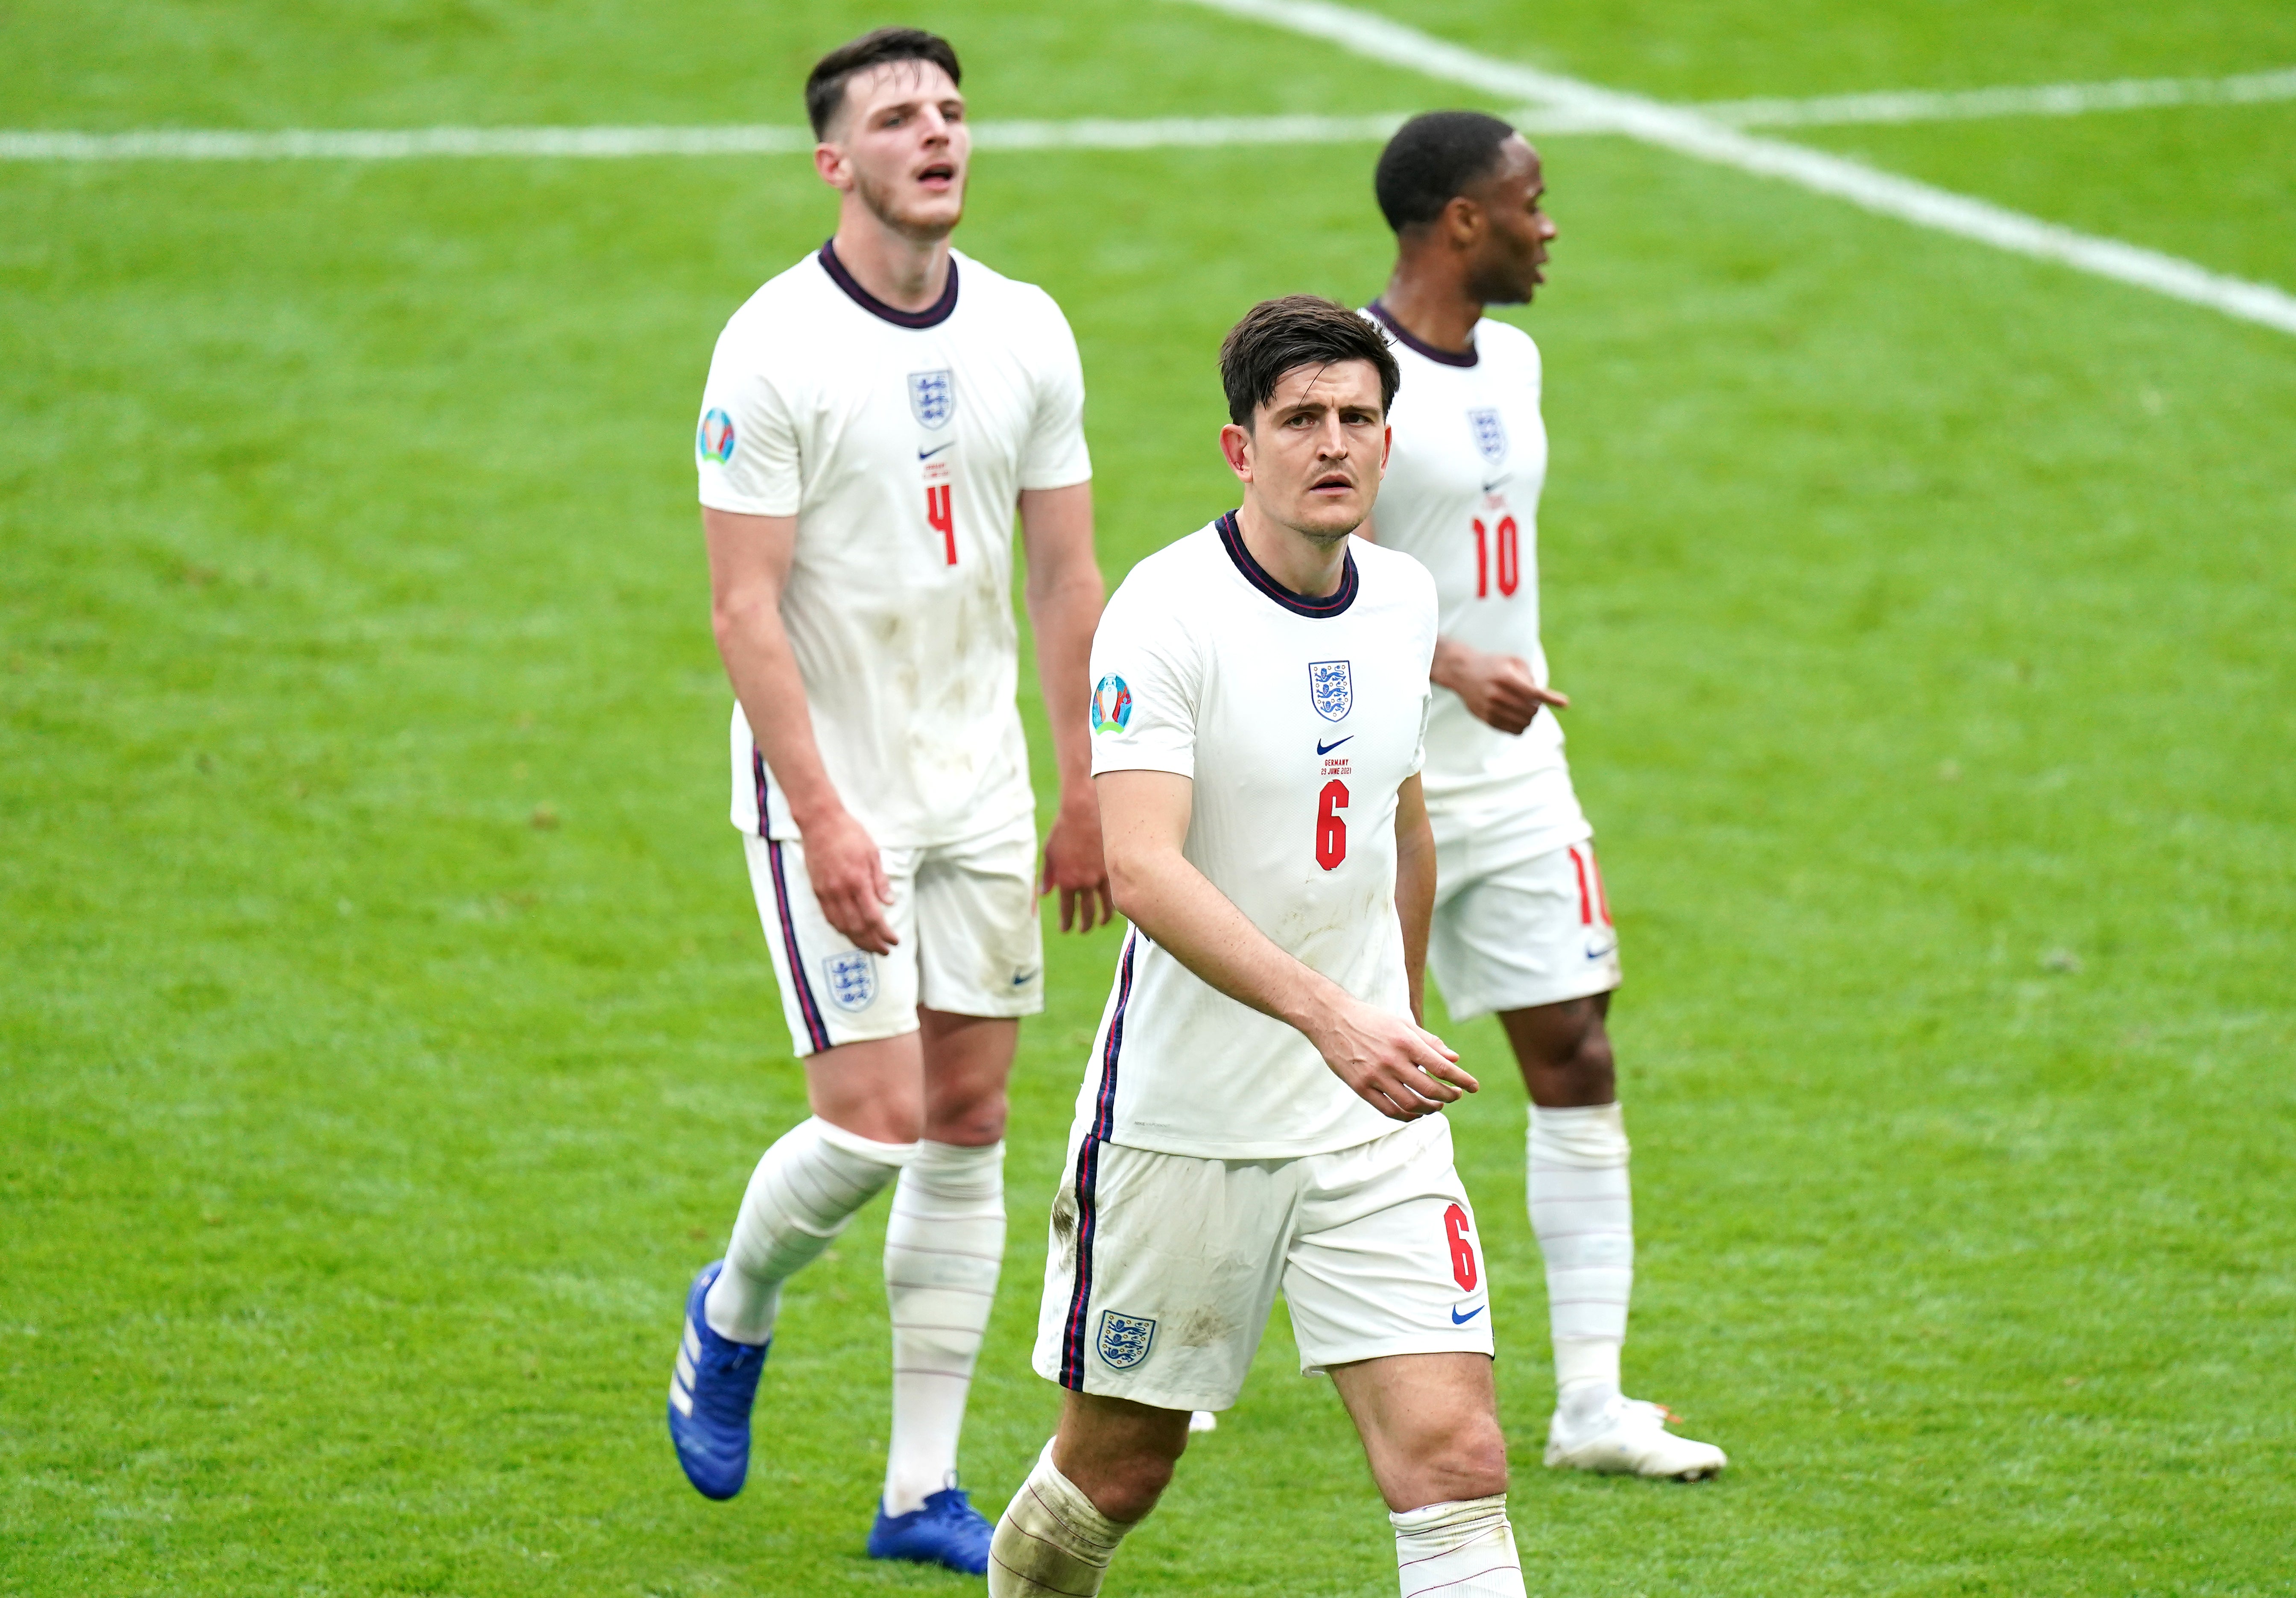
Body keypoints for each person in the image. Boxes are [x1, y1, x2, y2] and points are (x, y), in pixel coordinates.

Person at [990, 296, 1530, 1598]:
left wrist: (1383, 1010)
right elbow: (1141, 867)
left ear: (1388, 445)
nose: (1332, 444)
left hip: (1369, 1121)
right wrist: (1329, 1018)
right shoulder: (1165, 614)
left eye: (1357, 419)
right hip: (1186, 1120)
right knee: (1116, 1471)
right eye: (1301, 421)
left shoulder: (1401, 600)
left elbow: (1402, 818)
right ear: (1241, 449)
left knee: (1456, 1462)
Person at [669, 26, 1112, 1575]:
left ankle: (917, 1491)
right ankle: (731, 1311)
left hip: (983, 789)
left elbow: (1066, 572)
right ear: (833, 162)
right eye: (897, 118)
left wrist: (1085, 787)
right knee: (870, 1128)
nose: (936, 136)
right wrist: (826, 816)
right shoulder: (771, 346)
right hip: (831, 796)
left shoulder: (1029, 330)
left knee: (973, 1122)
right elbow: (742, 611)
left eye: (951, 111)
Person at [1358, 111, 1726, 1479]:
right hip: (1368, 784)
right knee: (1300, 1075)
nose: (1546, 223)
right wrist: (1450, 663)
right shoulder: (1352, 374)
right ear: (1462, 219)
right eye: (1530, 201)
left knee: (1574, 1049)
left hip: (1513, 777)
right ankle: (1165, 1339)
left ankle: (1588, 1406)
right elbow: (1293, 561)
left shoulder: (1511, 356)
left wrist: (1489, 682)